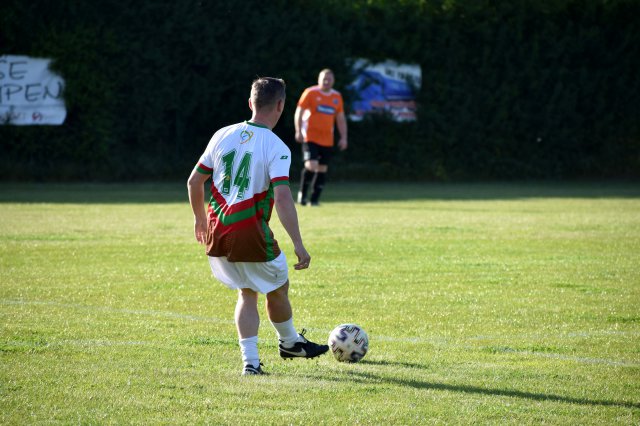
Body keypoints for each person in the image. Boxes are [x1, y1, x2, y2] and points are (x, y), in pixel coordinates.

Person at [187, 77, 329, 376]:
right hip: (248, 231)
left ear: (250, 102)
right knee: (278, 286)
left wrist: (200, 219)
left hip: (217, 231)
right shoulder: (276, 146)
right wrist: (299, 244)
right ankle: (290, 342)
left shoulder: (222, 134)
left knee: (247, 291)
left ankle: (251, 363)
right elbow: (283, 196)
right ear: (280, 106)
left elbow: (194, 181)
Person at [294, 68, 348, 206]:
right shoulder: (310, 93)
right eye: (324, 79)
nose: (326, 81)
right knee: (311, 165)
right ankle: (302, 195)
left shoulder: (337, 97)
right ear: (318, 79)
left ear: (333, 81)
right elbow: (299, 112)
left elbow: (340, 118)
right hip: (310, 136)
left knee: (322, 169)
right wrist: (298, 130)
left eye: (329, 79)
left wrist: (343, 137)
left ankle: (314, 200)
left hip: (327, 139)